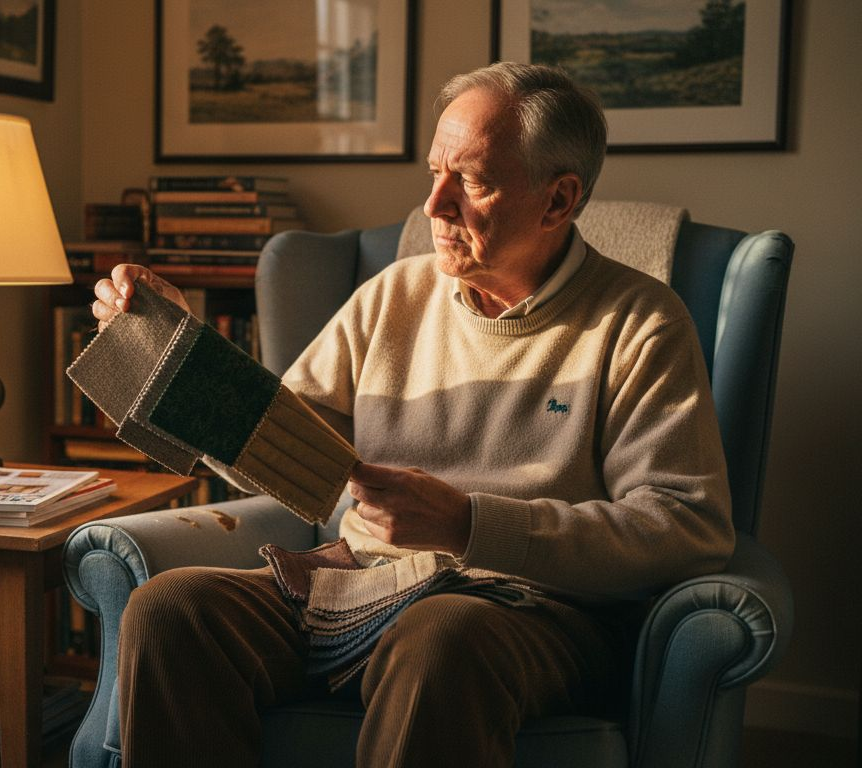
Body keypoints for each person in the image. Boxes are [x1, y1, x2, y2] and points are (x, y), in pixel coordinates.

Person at [88, 62, 734, 768]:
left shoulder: (640, 323)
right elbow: (279, 446)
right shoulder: (393, 295)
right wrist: (182, 353)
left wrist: (469, 525)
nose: (434, 205)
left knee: (440, 636)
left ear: (558, 201)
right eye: (434, 172)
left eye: (472, 181)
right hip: (357, 584)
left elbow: (687, 526)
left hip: (529, 610)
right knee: (170, 609)